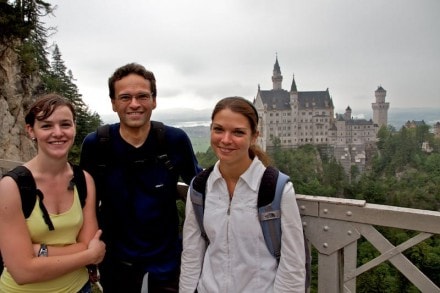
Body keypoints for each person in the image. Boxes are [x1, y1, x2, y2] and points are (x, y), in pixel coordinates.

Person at [80, 63, 202, 292]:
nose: (134, 104)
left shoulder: (173, 140)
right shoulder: (97, 145)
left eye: (142, 96)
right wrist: (88, 251)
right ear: (114, 103)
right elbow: (84, 203)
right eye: (125, 97)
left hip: (167, 260)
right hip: (115, 260)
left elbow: (203, 186)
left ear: (154, 100)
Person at [180, 96, 306, 292]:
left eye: (238, 132)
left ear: (254, 136)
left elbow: (293, 265)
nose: (226, 140)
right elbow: (191, 254)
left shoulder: (275, 189)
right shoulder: (200, 188)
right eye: (219, 129)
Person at [0, 94, 106, 292]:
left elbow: (89, 241)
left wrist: (39, 251)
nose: (58, 133)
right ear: (31, 131)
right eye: (46, 126)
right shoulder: (12, 186)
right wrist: (88, 256)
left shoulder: (84, 180)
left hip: (79, 288)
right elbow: (22, 272)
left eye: (65, 124)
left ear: (74, 127)